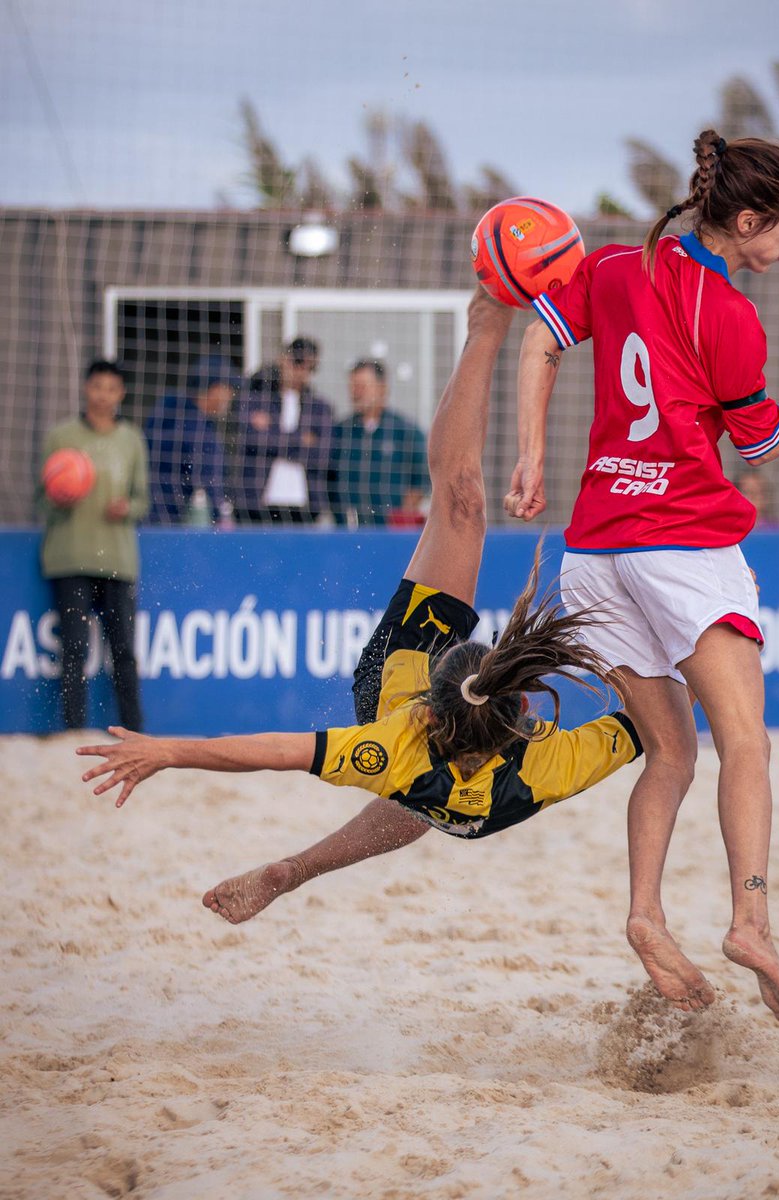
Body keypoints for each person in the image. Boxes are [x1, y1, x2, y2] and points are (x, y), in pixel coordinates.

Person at [77, 291, 644, 936]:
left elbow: (274, 752)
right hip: (462, 780)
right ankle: (292, 870)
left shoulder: (396, 739)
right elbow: (655, 726)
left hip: (394, 681)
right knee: (414, 807)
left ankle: (485, 327)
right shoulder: (544, 763)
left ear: (428, 710)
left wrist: (171, 752)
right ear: (522, 717)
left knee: (460, 505)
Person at [504, 131, 779, 1026]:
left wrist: (532, 458)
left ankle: (645, 916)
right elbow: (758, 443)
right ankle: (750, 920)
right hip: (679, 544)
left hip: (594, 548)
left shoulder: (614, 266)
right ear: (748, 220)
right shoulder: (731, 315)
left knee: (671, 754)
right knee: (746, 743)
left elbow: (541, 343)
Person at [39, 359, 148, 731]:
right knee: (73, 651)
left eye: (111, 388)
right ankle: (73, 731)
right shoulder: (61, 436)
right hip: (71, 557)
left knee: (124, 653)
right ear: (86, 389)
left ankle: (134, 731)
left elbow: (143, 501)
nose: (103, 395)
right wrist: (59, 497)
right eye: (97, 386)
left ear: (121, 394)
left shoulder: (130, 438)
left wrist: (127, 507)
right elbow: (40, 501)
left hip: (117, 560)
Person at [234, 336, 334, 524]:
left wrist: (272, 432)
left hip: (304, 506)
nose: (302, 371)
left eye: (310, 368)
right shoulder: (256, 398)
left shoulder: (320, 408)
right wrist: (301, 440)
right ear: (283, 359)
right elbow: (253, 442)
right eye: (298, 362)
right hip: (256, 503)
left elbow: (321, 457)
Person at [329, 359, 429, 526]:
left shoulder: (405, 431)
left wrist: (402, 516)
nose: (357, 393)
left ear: (382, 389)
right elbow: (329, 480)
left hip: (389, 532)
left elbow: (421, 480)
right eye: (353, 387)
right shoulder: (341, 431)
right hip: (349, 529)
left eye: (363, 386)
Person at [144, 355, 238, 525]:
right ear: (214, 388)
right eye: (228, 388)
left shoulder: (166, 409)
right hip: (168, 519)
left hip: (145, 514)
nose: (231, 395)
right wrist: (222, 515)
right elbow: (210, 477)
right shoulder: (199, 428)